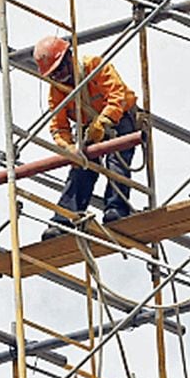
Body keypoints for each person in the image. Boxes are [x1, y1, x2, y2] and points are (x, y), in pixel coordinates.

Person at [33, 36, 140, 240]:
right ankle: (64, 218)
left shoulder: (94, 66)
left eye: (60, 69)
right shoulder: (58, 90)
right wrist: (70, 148)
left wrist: (103, 122)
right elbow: (59, 127)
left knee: (117, 160)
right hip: (88, 128)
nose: (59, 76)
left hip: (120, 118)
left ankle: (116, 209)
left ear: (69, 58)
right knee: (80, 168)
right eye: (54, 74)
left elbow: (116, 96)